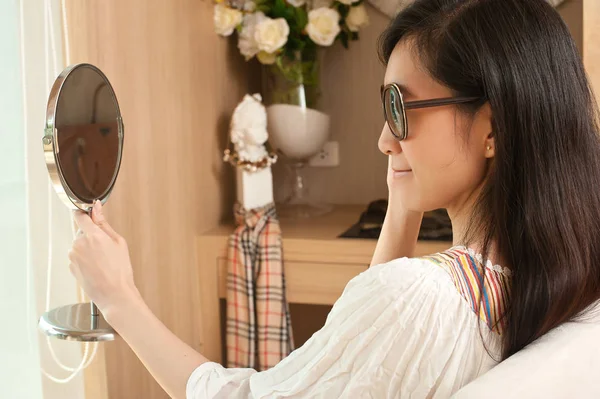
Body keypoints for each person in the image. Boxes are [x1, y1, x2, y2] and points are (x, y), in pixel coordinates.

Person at [68, 0, 600, 397]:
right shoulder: (564, 275)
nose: (384, 141)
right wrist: (403, 211)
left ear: (493, 128)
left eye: (400, 110)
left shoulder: (417, 301)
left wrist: (120, 299)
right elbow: (369, 368)